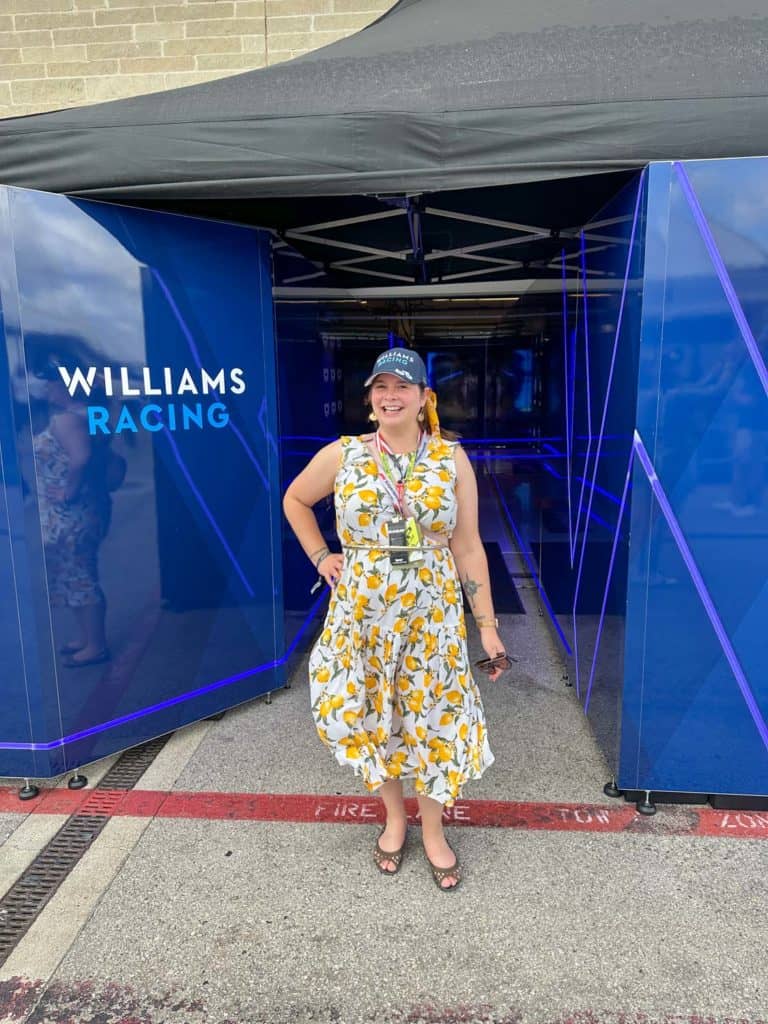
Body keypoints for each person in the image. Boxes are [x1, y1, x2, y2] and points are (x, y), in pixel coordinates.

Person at [283, 348, 509, 889]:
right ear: (369, 400)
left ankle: (433, 830)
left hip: (432, 618)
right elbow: (295, 499)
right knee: (371, 716)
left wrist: (488, 626)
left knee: (436, 720)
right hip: (362, 616)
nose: (390, 395)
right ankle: (394, 818)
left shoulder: (450, 458)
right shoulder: (344, 454)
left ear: (424, 398)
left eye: (402, 387)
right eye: (380, 387)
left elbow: (469, 546)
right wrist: (322, 556)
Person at [32, 359, 123, 667]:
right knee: (75, 574)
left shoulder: (68, 420)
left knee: (80, 575)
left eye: (51, 382)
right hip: (84, 508)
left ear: (66, 386)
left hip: (72, 512)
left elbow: (81, 458)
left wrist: (68, 492)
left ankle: (95, 645)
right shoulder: (88, 415)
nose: (46, 388)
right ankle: (87, 637)